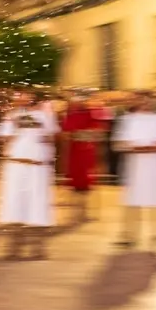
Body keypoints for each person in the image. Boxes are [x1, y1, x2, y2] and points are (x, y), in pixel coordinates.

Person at [112, 92, 156, 248]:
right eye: (141, 100)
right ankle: (129, 235)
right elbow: (119, 143)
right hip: (135, 167)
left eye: (148, 100)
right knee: (132, 199)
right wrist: (137, 148)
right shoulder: (128, 120)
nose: (145, 103)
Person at [0, 88, 59, 260]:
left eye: (24, 95)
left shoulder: (46, 115)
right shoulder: (12, 115)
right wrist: (12, 124)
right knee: (15, 204)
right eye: (19, 95)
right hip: (16, 165)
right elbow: (3, 138)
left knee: (38, 205)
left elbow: (50, 138)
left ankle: (38, 249)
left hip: (37, 167)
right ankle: (13, 248)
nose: (21, 98)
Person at [59, 93, 103, 224]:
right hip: (74, 153)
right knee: (75, 182)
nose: (75, 103)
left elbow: (96, 133)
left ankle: (84, 211)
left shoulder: (90, 114)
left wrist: (77, 134)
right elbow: (66, 135)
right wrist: (78, 135)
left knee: (85, 182)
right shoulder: (70, 115)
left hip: (86, 152)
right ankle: (75, 212)